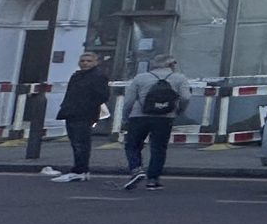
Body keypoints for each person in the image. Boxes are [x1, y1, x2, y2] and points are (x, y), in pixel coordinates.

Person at [121, 53, 187, 191]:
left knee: (132, 145)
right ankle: (153, 180)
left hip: (139, 116)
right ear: (171, 64)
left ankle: (136, 169)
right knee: (158, 148)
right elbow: (186, 97)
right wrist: (179, 111)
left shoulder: (140, 78)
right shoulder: (179, 78)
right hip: (165, 117)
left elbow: (128, 101)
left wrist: (125, 117)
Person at [44, 53, 112, 183]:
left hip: (84, 114)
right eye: (83, 60)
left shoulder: (98, 76)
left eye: (89, 61)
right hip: (72, 112)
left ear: (96, 62)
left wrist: (87, 107)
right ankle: (82, 171)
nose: (85, 63)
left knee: (81, 143)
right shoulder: (77, 76)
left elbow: (103, 96)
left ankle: (79, 171)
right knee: (76, 143)